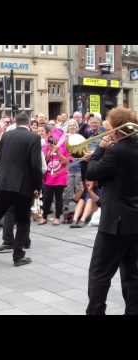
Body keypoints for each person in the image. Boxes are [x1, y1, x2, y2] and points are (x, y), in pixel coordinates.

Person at [85, 107, 138, 315]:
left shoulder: (116, 151)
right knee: (132, 273)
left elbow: (92, 172)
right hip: (134, 220)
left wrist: (100, 150)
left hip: (114, 223)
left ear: (117, 128)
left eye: (108, 126)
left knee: (99, 273)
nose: (106, 130)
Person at [0, 112, 42, 266]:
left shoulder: (6, 136)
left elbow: (1, 159)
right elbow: (35, 165)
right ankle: (18, 256)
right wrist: (38, 186)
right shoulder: (34, 138)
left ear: (16, 122)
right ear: (28, 123)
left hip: (4, 183)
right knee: (22, 221)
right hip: (23, 186)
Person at [39, 128, 72, 226]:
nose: (54, 140)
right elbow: (44, 160)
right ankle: (44, 216)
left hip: (60, 176)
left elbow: (65, 162)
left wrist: (57, 152)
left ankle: (57, 217)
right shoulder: (46, 147)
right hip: (48, 176)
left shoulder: (65, 147)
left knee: (58, 198)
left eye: (56, 138)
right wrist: (49, 150)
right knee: (47, 198)